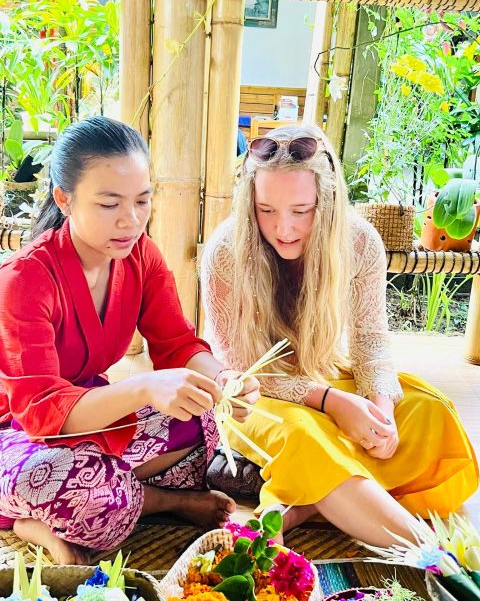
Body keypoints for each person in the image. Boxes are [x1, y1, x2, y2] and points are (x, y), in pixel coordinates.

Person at [200, 123, 478, 548]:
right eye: (266, 210)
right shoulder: (224, 251)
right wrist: (333, 403)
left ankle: (306, 503)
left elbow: (371, 341)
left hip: (326, 374)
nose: (284, 228)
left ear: (326, 201)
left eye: (301, 210)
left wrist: (380, 412)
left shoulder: (360, 241)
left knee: (429, 413)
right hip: (256, 397)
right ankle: (434, 555)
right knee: (308, 437)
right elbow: (239, 369)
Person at [0, 116, 260, 565]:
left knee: (202, 423)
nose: (131, 219)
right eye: (109, 204)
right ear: (64, 199)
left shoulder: (141, 254)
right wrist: (142, 389)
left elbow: (177, 343)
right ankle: (153, 501)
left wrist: (224, 380)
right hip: (19, 431)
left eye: (142, 201)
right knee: (83, 493)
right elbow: (41, 413)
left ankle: (103, 494)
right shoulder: (23, 280)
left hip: (93, 417)